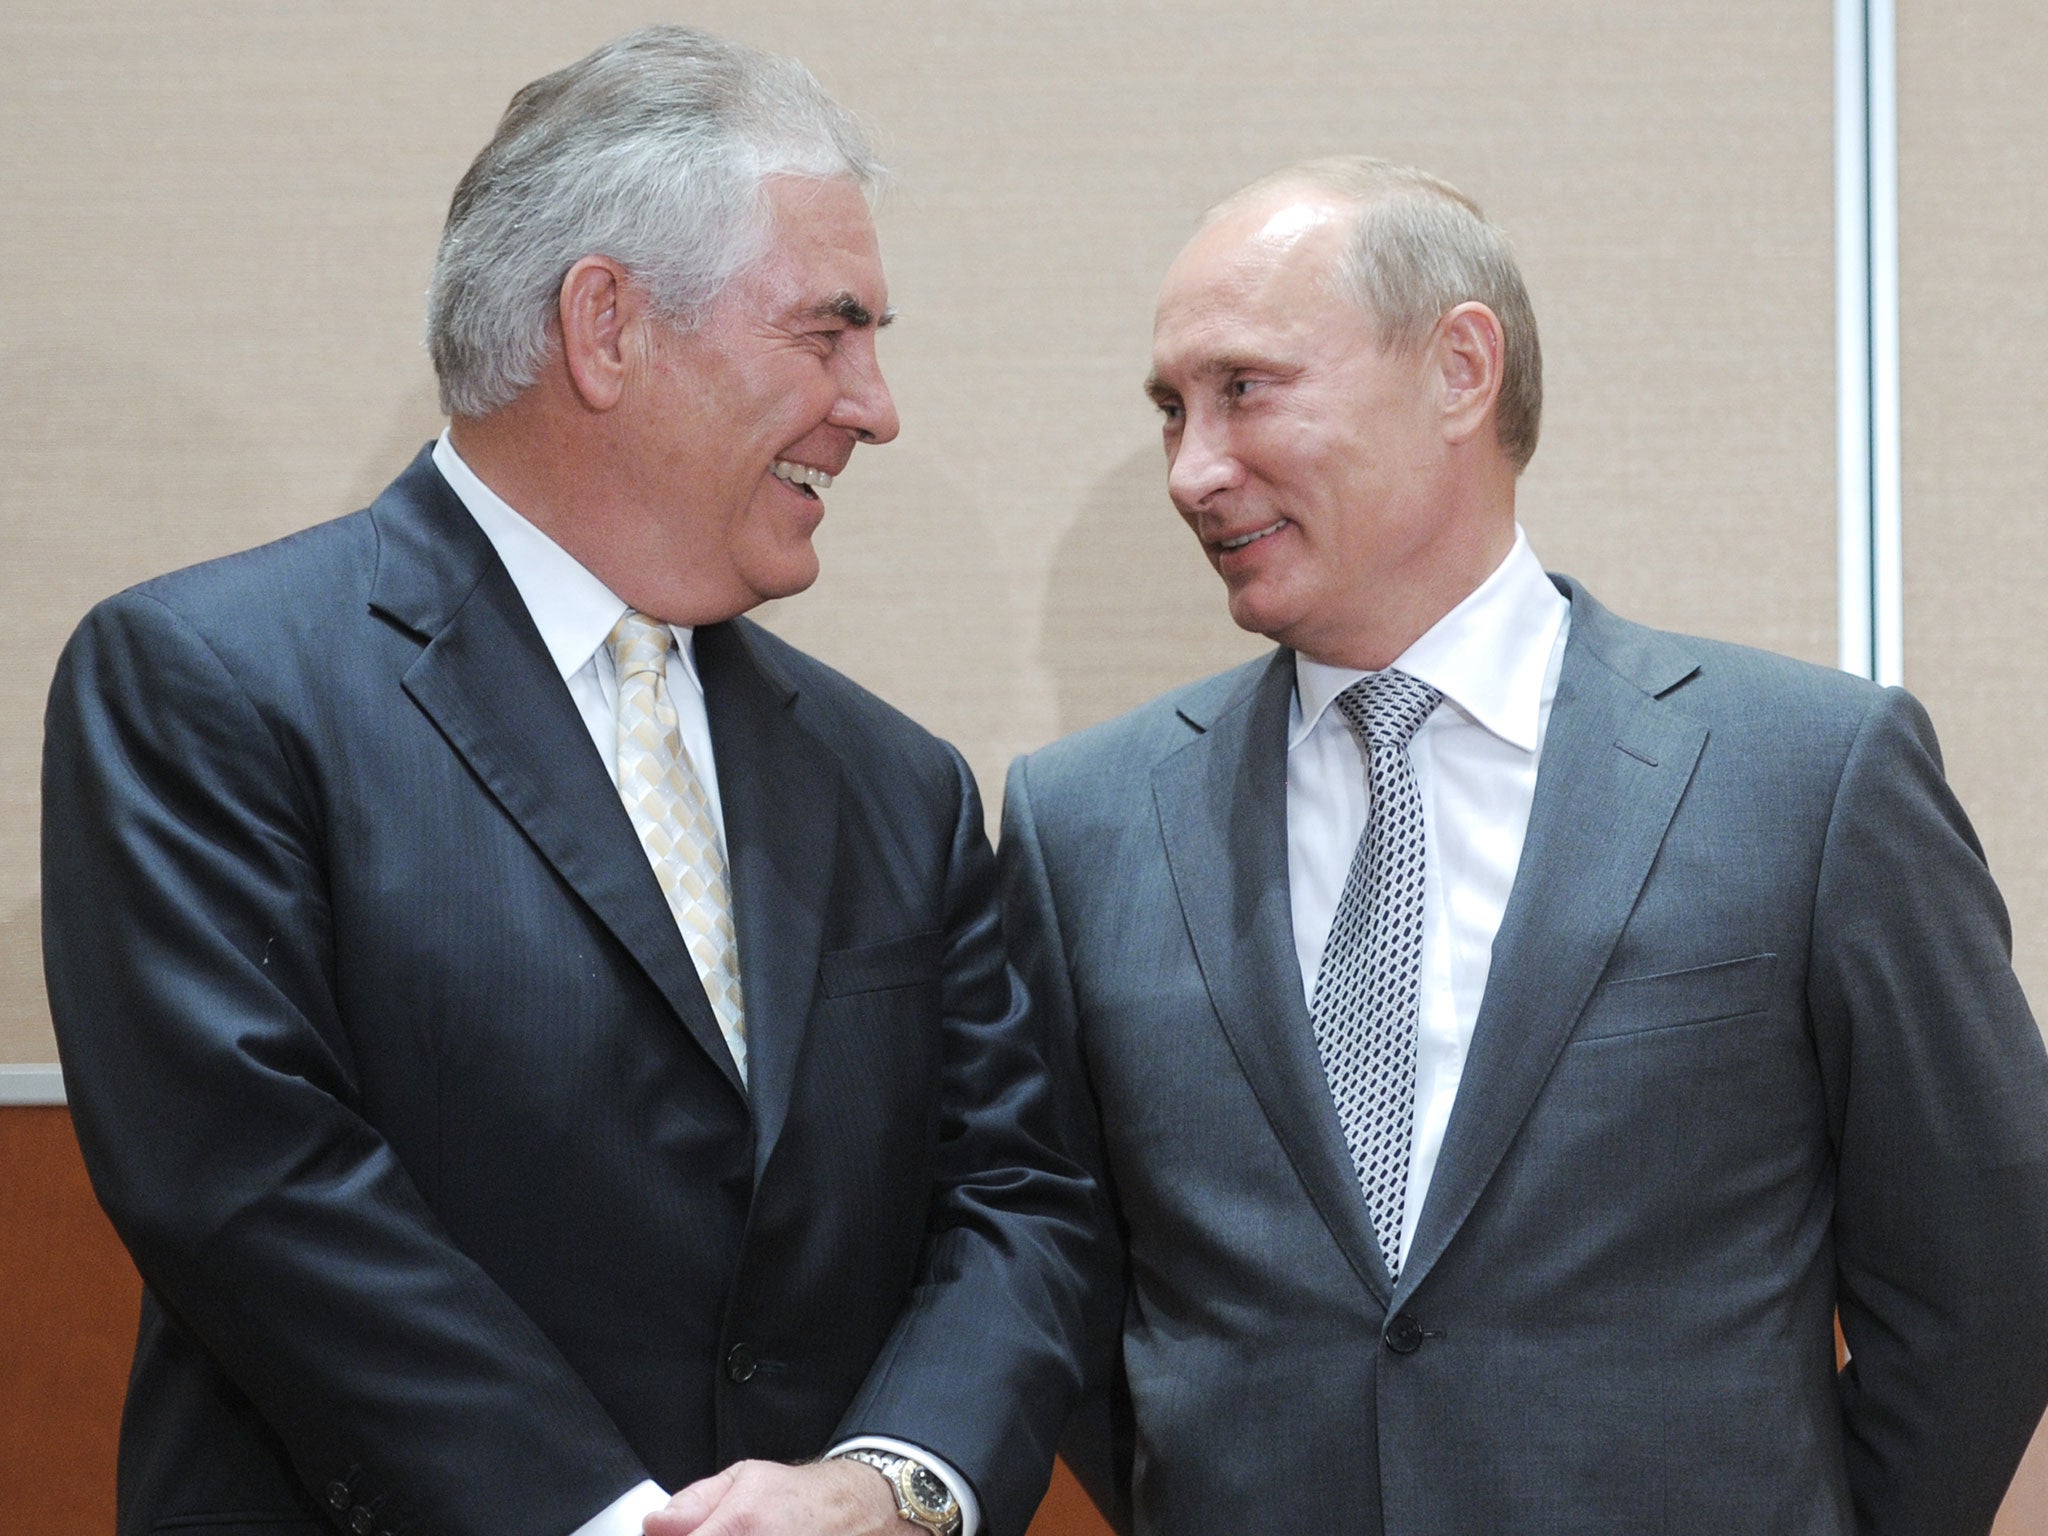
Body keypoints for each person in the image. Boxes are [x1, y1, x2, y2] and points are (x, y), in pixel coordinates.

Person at [42, 28, 1098, 1536]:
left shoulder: (894, 784)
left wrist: (887, 1484)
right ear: (607, 326)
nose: (878, 405)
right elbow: (252, 1186)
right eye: (831, 330)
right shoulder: (209, 685)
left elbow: (1018, 1201)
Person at [999, 156, 2048, 1534]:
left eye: (1245, 389)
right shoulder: (1080, 821)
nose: (1196, 468)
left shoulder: (1812, 776)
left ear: (1460, 368)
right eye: (1172, 411)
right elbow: (1055, 1283)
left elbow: (1989, 1263)